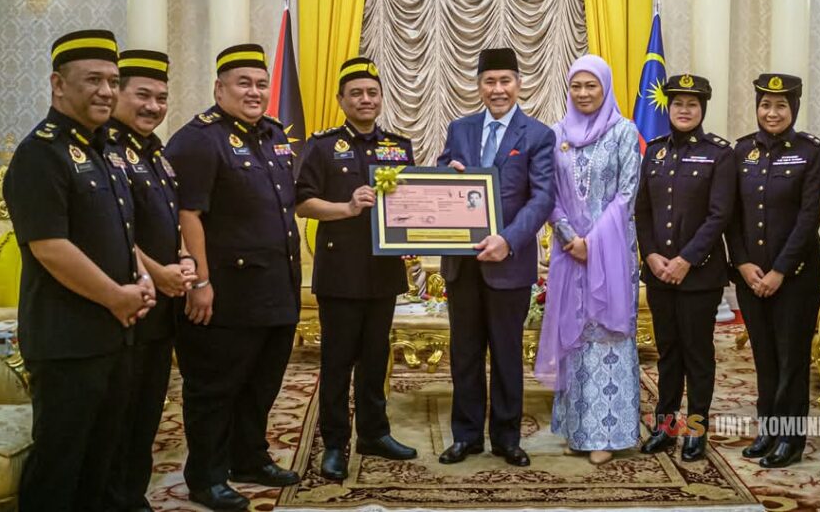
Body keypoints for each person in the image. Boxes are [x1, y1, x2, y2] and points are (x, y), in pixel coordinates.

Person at [3, 30, 156, 512]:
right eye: (93, 80)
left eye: (113, 80)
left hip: (115, 334)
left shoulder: (106, 148)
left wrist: (141, 277)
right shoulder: (40, 154)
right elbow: (50, 247)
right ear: (58, 84)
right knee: (61, 466)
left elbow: (120, 230)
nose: (107, 91)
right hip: (67, 341)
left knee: (101, 462)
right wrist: (115, 295)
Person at [165, 44, 302, 510]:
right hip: (225, 294)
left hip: (275, 289)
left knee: (261, 383)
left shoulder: (273, 134)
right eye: (243, 83)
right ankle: (206, 476)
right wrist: (200, 282)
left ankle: (249, 457)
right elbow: (188, 214)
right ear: (219, 88)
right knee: (215, 388)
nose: (254, 91)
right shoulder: (199, 140)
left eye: (261, 83)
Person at [296, 57, 417, 482]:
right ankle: (334, 444)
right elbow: (303, 202)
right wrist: (346, 208)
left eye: (372, 92)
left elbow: (413, 201)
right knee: (337, 362)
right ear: (341, 100)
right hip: (341, 272)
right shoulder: (322, 146)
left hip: (383, 272)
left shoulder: (398, 147)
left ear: (381, 98)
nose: (365, 99)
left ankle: (374, 433)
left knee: (375, 357)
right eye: (356, 93)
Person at [437, 47, 555, 467]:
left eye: (506, 81)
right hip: (462, 263)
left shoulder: (538, 135)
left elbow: (542, 198)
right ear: (479, 85)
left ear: (519, 84)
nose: (498, 89)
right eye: (490, 81)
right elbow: (440, 174)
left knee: (506, 354)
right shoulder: (460, 128)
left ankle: (507, 438)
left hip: (509, 263)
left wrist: (508, 239)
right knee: (465, 353)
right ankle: (466, 437)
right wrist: (445, 175)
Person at [535, 55, 641, 466]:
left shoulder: (624, 132)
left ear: (605, 87)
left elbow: (627, 194)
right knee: (575, 335)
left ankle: (607, 434)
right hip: (569, 253)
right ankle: (576, 428)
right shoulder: (556, 134)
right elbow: (548, 193)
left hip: (611, 253)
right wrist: (568, 237)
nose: (583, 93)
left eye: (591, 85)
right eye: (576, 86)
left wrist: (592, 245)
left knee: (608, 336)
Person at [106, 49, 197, 511]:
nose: (153, 106)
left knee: (147, 410)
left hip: (161, 305)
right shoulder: (105, 149)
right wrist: (156, 272)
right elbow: (111, 229)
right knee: (118, 415)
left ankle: (132, 496)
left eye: (161, 97)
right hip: (124, 303)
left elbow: (167, 219)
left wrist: (183, 258)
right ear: (116, 93)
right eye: (142, 95)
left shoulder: (155, 151)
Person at [726, 73, 820, 468]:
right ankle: (767, 428)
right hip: (751, 276)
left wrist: (780, 270)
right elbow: (731, 214)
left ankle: (790, 438)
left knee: (791, 358)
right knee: (764, 356)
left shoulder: (809, 152)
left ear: (794, 108)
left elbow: (809, 217)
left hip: (795, 277)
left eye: (781, 105)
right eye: (765, 104)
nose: (772, 112)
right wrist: (742, 263)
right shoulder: (741, 151)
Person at [635, 73, 735, 462]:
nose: (684, 110)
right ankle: (665, 426)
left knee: (697, 355)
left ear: (702, 109)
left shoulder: (719, 154)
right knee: (668, 353)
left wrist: (685, 260)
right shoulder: (655, 151)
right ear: (669, 107)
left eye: (692, 104)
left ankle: (695, 429)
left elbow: (719, 214)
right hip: (659, 272)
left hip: (699, 275)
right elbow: (643, 210)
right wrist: (651, 254)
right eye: (678, 103)